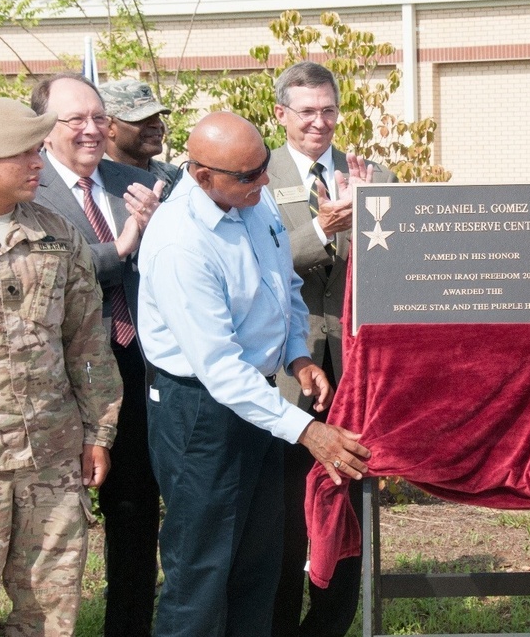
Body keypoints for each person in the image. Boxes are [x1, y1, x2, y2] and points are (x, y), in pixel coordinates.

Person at [137, 111, 371, 636]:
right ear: (201, 177)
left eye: (264, 166)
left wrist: (297, 355)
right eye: (248, 175)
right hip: (198, 411)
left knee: (258, 566)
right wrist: (310, 430)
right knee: (201, 570)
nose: (265, 181)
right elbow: (219, 368)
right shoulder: (181, 243)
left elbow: (282, 285)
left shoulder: (251, 196)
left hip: (258, 401)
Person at [0, 96, 122, 634]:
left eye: (38, 149)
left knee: (51, 618)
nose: (37, 162)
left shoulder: (56, 234)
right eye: (22, 153)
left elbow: (86, 344)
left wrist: (99, 432)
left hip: (51, 462)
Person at [31, 72, 164, 637]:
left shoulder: (137, 183)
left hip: (137, 369)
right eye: (75, 120)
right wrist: (124, 246)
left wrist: (161, 233)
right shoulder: (27, 189)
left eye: (99, 118)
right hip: (61, 379)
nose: (91, 130)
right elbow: (58, 267)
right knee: (49, 531)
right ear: (44, 130)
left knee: (135, 519)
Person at [267, 61, 396, 637]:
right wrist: (320, 229)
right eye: (306, 112)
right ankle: (275, 620)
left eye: (328, 111)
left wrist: (374, 216)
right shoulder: (257, 175)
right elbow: (259, 263)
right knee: (283, 511)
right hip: (282, 371)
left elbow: (399, 273)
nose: (319, 123)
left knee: (351, 503)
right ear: (281, 115)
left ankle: (331, 624)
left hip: (357, 372)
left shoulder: (373, 174)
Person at [99, 78, 181, 196]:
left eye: (157, 116)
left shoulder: (176, 177)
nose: (157, 124)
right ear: (109, 127)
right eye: (141, 118)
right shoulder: (92, 179)